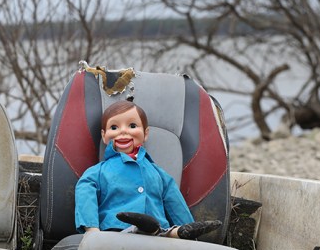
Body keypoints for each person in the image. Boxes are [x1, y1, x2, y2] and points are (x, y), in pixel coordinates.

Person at [74, 100, 221, 239]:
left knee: (163, 231)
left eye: (132, 126)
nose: (123, 131)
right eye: (114, 127)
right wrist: (91, 228)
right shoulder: (98, 172)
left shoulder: (157, 173)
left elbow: (174, 200)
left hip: (158, 232)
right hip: (116, 230)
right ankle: (158, 230)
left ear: (145, 133)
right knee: (146, 229)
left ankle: (181, 231)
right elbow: (85, 192)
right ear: (104, 135)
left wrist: (185, 223)